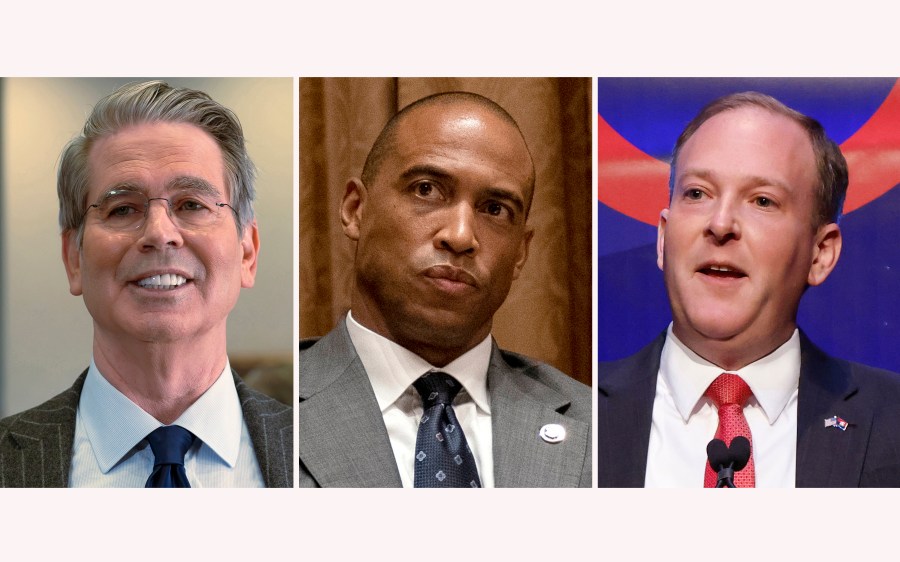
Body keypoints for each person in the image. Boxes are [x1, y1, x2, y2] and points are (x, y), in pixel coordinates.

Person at [598, 91, 900, 488]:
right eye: (697, 193)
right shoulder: (587, 416)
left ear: (820, 253)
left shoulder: (890, 419)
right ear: (663, 238)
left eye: (762, 200)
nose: (720, 223)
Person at [0, 81, 292, 487]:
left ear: (247, 252)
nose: (159, 233)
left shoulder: (317, 450)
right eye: (122, 209)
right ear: (74, 258)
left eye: (192, 204)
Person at [298, 91, 591, 488]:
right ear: (356, 210)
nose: (460, 236)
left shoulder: (596, 426)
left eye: (494, 209)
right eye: (426, 189)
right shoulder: (266, 409)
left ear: (521, 253)